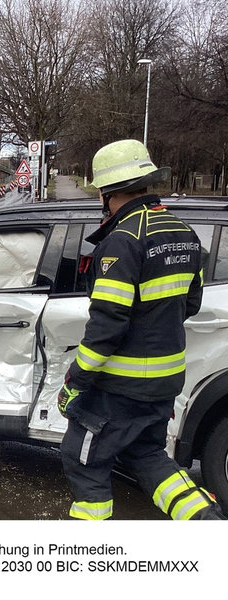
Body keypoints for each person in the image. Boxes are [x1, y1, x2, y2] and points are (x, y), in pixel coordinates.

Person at [57, 139, 224, 520]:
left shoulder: (124, 239)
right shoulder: (184, 233)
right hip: (166, 380)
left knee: (83, 459)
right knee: (146, 454)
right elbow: (191, 303)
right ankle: (206, 522)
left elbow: (107, 324)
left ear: (105, 191)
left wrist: (77, 379)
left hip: (120, 386)